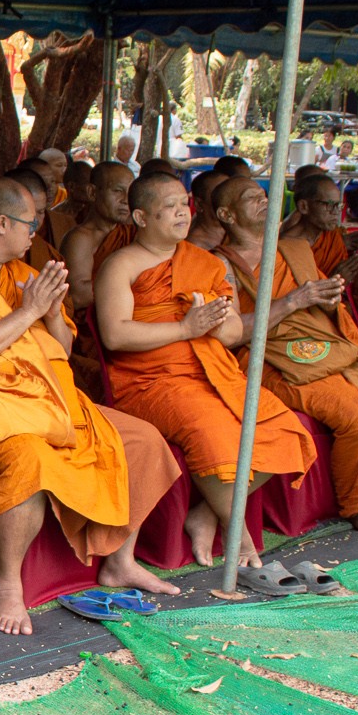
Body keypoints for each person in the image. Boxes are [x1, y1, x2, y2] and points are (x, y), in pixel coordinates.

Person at [0, 180, 181, 629]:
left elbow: (61, 347)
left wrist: (48, 311)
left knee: (143, 440)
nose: (35, 233)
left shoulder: (23, 275)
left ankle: (120, 562)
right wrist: (28, 311)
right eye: (30, 224)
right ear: (1, 223)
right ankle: (9, 584)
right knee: (31, 461)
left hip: (56, 402)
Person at [213, 177, 358, 538]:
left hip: (331, 349)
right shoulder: (220, 263)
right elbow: (234, 333)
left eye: (265, 196)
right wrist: (293, 301)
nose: (264, 202)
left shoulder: (295, 250)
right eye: (252, 198)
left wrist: (328, 299)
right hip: (274, 359)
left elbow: (325, 309)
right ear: (226, 214)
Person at [98, 172, 315, 567]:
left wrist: (212, 321)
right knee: (214, 432)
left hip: (213, 374)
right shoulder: (121, 265)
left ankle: (205, 514)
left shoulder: (204, 263)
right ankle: (241, 539)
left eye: (185, 204)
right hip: (150, 381)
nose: (182, 213)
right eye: (170, 207)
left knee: (285, 430)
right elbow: (115, 335)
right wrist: (185, 328)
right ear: (141, 217)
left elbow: (232, 333)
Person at [62, 160, 133, 312]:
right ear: (92, 192)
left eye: (130, 192)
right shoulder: (80, 238)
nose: (126, 200)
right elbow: (79, 296)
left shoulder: (131, 232)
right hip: (93, 321)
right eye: (117, 191)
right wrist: (133, 282)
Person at [280, 172, 358, 280]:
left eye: (338, 205)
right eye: (329, 205)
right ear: (304, 206)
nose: (335, 212)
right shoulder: (287, 245)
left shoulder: (332, 235)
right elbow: (294, 288)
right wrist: (333, 280)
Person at [186, 171, 228, 251]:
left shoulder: (232, 227)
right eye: (220, 195)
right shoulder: (194, 246)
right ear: (199, 204)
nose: (229, 199)